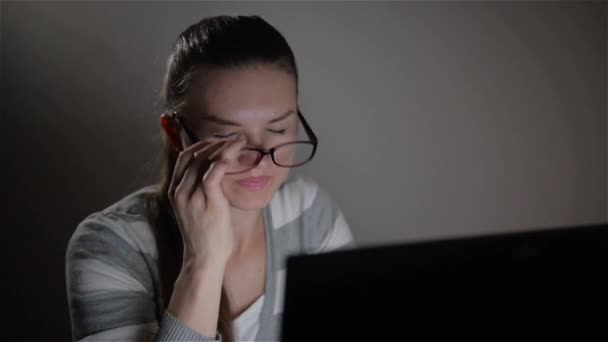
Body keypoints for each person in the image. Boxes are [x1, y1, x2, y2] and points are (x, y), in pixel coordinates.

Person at [65, 15, 355, 342]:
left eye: (278, 129)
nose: (259, 158)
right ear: (177, 134)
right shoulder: (109, 247)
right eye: (228, 136)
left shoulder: (312, 215)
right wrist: (203, 261)